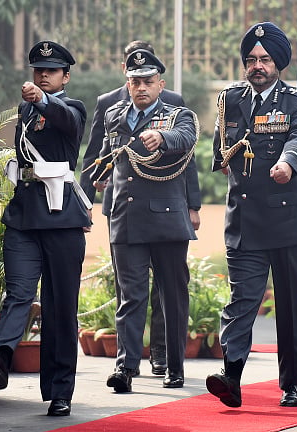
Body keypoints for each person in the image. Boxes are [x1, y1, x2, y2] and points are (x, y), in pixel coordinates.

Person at [206, 22, 297, 408]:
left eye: (265, 60)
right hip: (245, 219)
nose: (257, 66)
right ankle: (231, 375)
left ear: (279, 64)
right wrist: (220, 161)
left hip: (288, 220)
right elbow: (221, 148)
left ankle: (292, 384)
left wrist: (288, 162)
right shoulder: (229, 99)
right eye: (251, 60)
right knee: (241, 300)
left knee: (291, 307)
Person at [0, 40, 90, 416]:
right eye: (38, 70)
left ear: (65, 76)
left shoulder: (71, 107)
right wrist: (35, 102)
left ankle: (60, 391)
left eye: (51, 71)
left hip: (60, 217)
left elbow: (65, 121)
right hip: (24, 212)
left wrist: (42, 100)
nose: (42, 75)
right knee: (18, 292)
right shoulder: (26, 109)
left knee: (59, 308)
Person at [79, 40, 201, 377]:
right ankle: (126, 367)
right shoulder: (114, 114)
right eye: (135, 81)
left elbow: (187, 141)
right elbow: (100, 157)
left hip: (166, 218)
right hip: (126, 217)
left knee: (171, 297)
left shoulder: (178, 114)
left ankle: (172, 367)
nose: (141, 87)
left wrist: (163, 139)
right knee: (130, 296)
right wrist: (89, 193)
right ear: (126, 81)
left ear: (160, 84)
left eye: (148, 81)